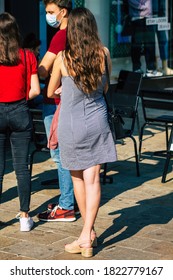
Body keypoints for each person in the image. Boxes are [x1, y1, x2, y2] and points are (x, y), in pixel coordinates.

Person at [47, 7, 117, 257]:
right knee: (93, 179)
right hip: (97, 121)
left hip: (72, 125)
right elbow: (105, 88)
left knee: (77, 179)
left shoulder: (63, 58)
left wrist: (64, 90)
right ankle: (90, 233)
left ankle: (85, 237)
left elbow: (49, 91)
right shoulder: (104, 53)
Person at [37, 0, 77, 222]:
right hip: (70, 100)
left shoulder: (61, 36)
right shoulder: (78, 34)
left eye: (51, 12)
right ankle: (70, 198)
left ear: (63, 12)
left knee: (59, 154)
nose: (48, 16)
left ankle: (66, 206)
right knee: (68, 155)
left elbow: (43, 70)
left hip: (55, 102)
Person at [0, 12, 40, 231]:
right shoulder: (27, 56)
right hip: (20, 111)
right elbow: (35, 90)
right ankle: (25, 217)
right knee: (21, 168)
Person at [123, 0, 162, 77]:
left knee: (150, 44)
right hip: (136, 17)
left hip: (148, 17)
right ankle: (137, 68)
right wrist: (143, 6)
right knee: (137, 44)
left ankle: (150, 69)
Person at [152, 0, 173, 75]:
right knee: (151, 41)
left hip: (160, 12)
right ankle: (154, 67)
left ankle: (164, 66)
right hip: (150, 13)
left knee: (163, 39)